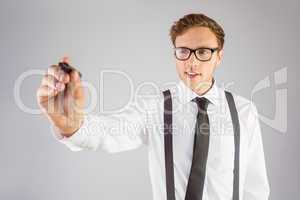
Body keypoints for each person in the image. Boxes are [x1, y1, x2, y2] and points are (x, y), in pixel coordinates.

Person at [36, 13, 270, 200]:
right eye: (183, 51)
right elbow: (110, 132)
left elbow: (255, 187)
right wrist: (70, 124)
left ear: (219, 56)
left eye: (203, 52)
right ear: (175, 54)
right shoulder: (155, 107)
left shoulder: (243, 111)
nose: (191, 61)